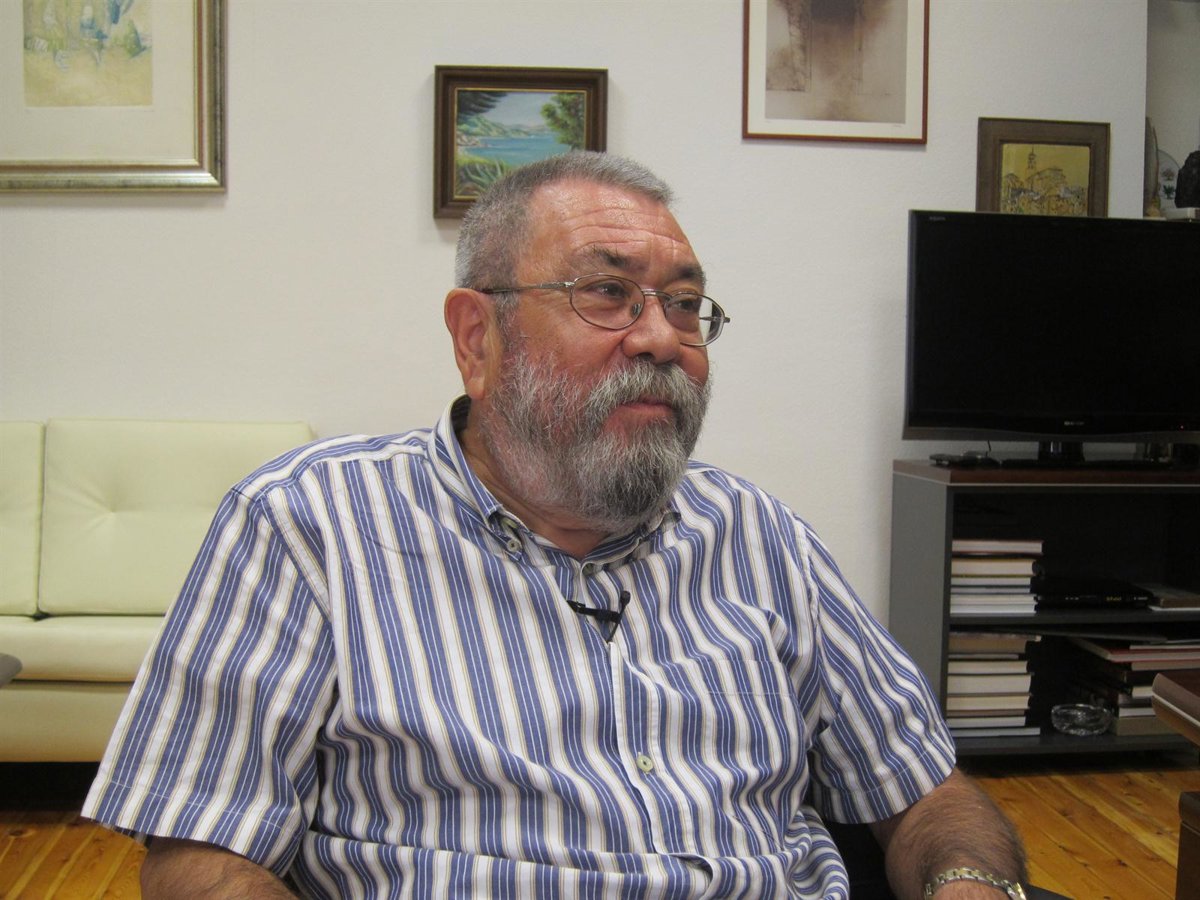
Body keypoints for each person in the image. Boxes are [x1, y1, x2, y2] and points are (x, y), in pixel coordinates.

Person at [83, 152, 1030, 899]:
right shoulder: (308, 526)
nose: (661, 337)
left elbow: (925, 793)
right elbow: (199, 852)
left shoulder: (761, 536)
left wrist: (971, 885)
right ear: (477, 338)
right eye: (606, 292)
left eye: (686, 304)